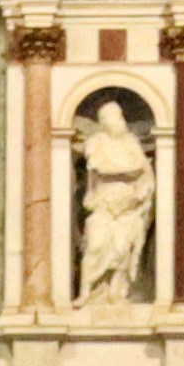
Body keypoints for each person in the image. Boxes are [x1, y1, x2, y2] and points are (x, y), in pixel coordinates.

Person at [72, 93, 159, 309]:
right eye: (113, 117)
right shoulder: (95, 142)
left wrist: (135, 182)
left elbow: (141, 169)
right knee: (95, 247)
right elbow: (99, 168)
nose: (118, 120)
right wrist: (126, 171)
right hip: (104, 205)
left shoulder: (131, 141)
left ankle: (116, 292)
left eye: (119, 116)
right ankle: (85, 292)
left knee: (122, 250)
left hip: (128, 208)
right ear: (103, 122)